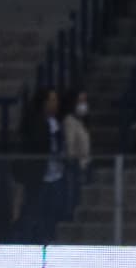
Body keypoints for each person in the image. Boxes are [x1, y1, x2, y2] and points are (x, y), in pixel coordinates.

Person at [14, 88, 63, 243]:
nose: (55, 104)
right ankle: (29, 240)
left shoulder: (56, 122)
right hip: (38, 176)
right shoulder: (35, 121)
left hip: (55, 175)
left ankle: (48, 238)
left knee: (52, 212)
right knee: (33, 210)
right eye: (52, 100)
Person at [60, 87, 92, 220]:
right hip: (75, 167)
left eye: (84, 101)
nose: (83, 105)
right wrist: (75, 162)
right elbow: (70, 145)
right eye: (80, 101)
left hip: (83, 166)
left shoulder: (81, 123)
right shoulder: (69, 121)